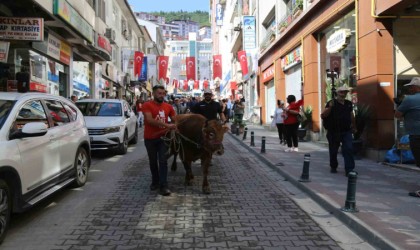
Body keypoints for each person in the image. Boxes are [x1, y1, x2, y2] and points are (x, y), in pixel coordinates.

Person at [142, 85, 176, 196]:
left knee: (163, 161)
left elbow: (175, 119)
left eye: (163, 93)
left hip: (163, 138)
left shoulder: (168, 106)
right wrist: (167, 124)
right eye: (159, 93)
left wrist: (180, 122)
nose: (161, 95)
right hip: (150, 138)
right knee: (153, 161)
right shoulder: (147, 105)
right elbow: (149, 120)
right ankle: (155, 181)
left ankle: (164, 185)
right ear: (153, 94)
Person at [321, 86, 356, 176]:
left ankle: (349, 169)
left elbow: (351, 115)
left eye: (345, 92)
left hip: (346, 130)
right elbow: (323, 115)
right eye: (341, 92)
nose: (343, 94)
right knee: (333, 150)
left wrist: (354, 126)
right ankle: (333, 166)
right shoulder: (331, 102)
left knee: (348, 148)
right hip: (333, 131)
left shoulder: (348, 103)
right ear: (337, 93)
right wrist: (330, 108)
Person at [394, 77, 420, 198]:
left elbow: (397, 114)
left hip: (417, 135)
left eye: (411, 87)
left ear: (416, 87)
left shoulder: (409, 99)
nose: (409, 89)